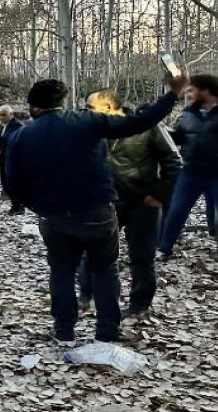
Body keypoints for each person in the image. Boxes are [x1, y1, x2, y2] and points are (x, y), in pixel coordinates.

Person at [5, 73, 187, 344]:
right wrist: (172, 95)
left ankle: (64, 332)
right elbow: (139, 122)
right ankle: (107, 331)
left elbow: (11, 181)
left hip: (54, 215)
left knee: (62, 271)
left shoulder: (20, 136)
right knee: (105, 269)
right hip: (97, 210)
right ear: (61, 101)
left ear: (32, 106)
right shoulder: (84, 122)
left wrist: (34, 205)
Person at [76, 89, 182, 319]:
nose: (86, 111)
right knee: (90, 250)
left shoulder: (148, 127)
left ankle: (139, 303)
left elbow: (173, 161)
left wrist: (159, 194)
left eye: (91, 107)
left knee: (142, 255)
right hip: (103, 200)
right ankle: (87, 295)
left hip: (141, 200)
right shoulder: (91, 128)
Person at [158, 74, 218, 260]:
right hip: (190, 173)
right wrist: (161, 130)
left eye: (192, 90)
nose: (189, 95)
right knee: (176, 212)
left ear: (205, 91)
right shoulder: (188, 114)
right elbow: (177, 137)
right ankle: (164, 248)